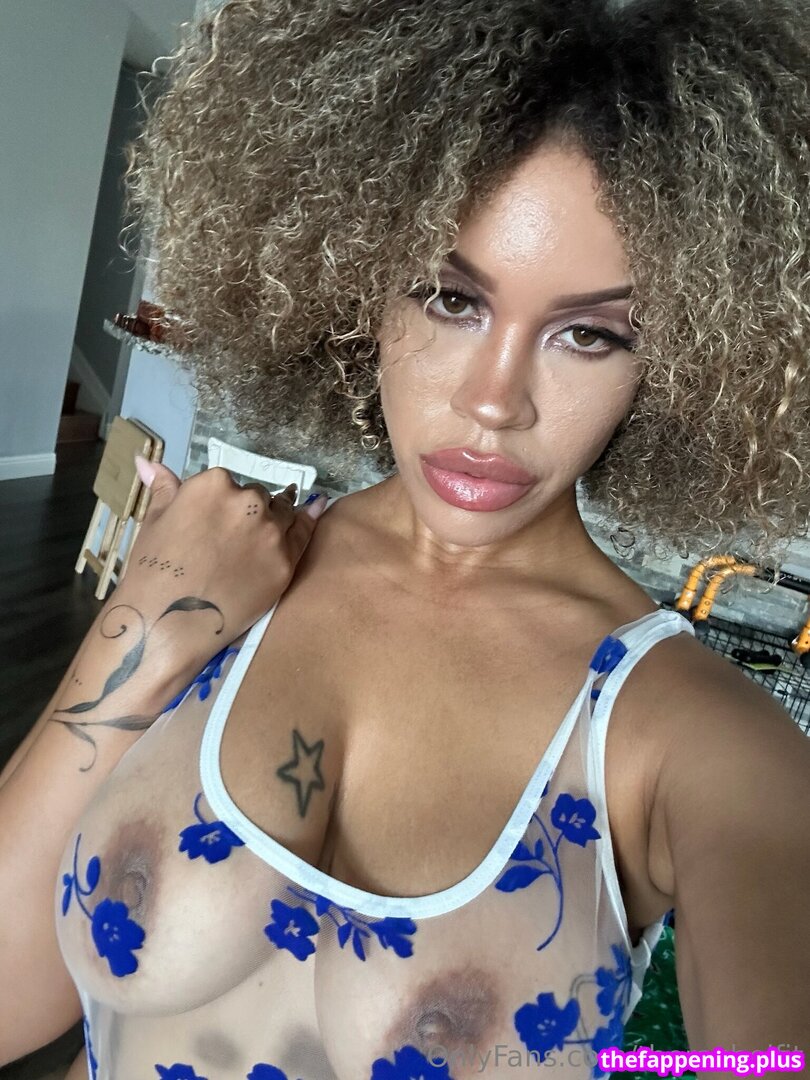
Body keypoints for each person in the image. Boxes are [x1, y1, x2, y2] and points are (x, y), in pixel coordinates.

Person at [2, 0, 809, 1076]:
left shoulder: (694, 741)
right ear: (351, 279)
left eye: (588, 334)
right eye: (448, 297)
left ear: (683, 361)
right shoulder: (231, 573)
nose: (494, 400)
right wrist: (146, 619)